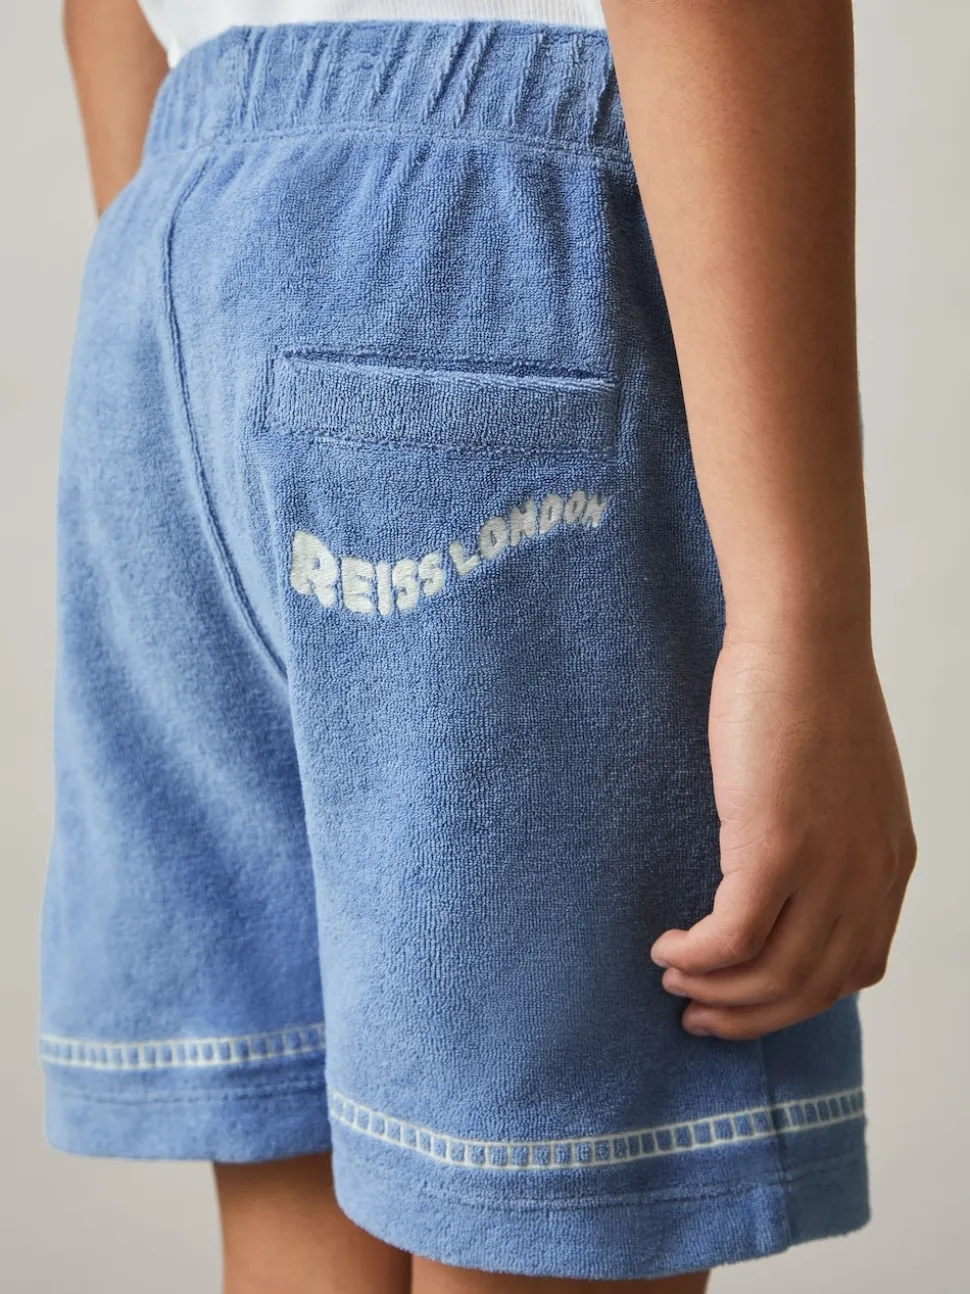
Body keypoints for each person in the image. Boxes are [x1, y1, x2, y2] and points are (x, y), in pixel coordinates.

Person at [42, 0, 916, 1290]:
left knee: (303, 1226)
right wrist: (804, 620)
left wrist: (215, 315)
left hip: (171, 261)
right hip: (472, 252)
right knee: (534, 1224)